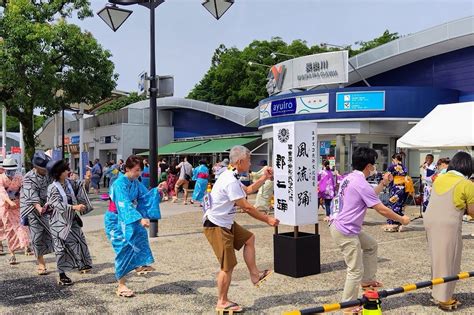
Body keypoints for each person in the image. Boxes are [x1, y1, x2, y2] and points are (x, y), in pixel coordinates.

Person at [329, 147, 410, 314]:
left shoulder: (350, 178)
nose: (375, 167)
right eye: (374, 164)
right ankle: (348, 305)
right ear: (368, 166)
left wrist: (382, 184)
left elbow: (369, 196)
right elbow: (381, 209)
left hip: (342, 225)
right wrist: (402, 219)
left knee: (371, 245)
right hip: (345, 230)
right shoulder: (360, 183)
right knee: (354, 269)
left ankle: (367, 281)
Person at [203, 145, 279, 313]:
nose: (251, 163)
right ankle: (222, 301)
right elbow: (247, 207)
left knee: (249, 239)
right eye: (249, 160)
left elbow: (248, 190)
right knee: (227, 266)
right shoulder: (229, 179)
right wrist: (268, 219)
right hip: (216, 225)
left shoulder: (230, 175)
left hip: (225, 221)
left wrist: (264, 178)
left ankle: (255, 274)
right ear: (240, 161)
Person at [424, 152, 474, 311]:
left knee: (438, 256)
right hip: (448, 223)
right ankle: (444, 298)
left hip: (430, 220)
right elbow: (472, 211)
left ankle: (435, 289)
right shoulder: (466, 183)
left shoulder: (440, 177)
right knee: (449, 259)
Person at [107, 155, 161, 298]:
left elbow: (145, 197)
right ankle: (121, 285)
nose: (139, 173)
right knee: (124, 248)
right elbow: (123, 204)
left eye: (140, 170)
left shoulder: (135, 182)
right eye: (136, 170)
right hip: (116, 219)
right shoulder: (119, 184)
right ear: (128, 169)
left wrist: (158, 191)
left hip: (128, 218)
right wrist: (139, 218)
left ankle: (140, 264)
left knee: (140, 236)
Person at [46, 159, 93, 286]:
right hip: (58, 223)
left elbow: (81, 187)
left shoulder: (69, 183)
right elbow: (56, 204)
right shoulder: (52, 187)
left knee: (79, 242)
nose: (68, 171)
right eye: (66, 169)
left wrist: (87, 179)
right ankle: (62, 274)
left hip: (72, 220)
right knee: (61, 248)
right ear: (59, 172)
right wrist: (74, 207)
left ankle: (82, 265)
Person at [20, 151, 55, 276]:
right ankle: (41, 262)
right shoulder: (28, 178)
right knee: (37, 235)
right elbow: (32, 196)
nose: (45, 170)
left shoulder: (49, 173)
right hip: (33, 208)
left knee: (58, 232)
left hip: (48, 205)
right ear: (35, 167)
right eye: (42, 168)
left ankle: (66, 258)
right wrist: (39, 208)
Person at [0, 158, 31, 265]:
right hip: (6, 207)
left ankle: (26, 245)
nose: (10, 173)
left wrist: (23, 198)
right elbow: (2, 192)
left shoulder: (19, 177)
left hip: (18, 205)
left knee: (22, 226)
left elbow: (24, 189)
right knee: (9, 230)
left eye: (12, 170)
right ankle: (12, 253)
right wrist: (9, 201)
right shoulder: (1, 178)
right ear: (4, 169)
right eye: (8, 170)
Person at [384, 153, 409, 232]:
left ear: (394, 159)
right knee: (400, 205)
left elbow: (387, 177)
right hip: (403, 188)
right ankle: (399, 224)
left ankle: (392, 224)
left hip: (396, 188)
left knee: (393, 205)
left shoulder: (392, 167)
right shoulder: (404, 167)